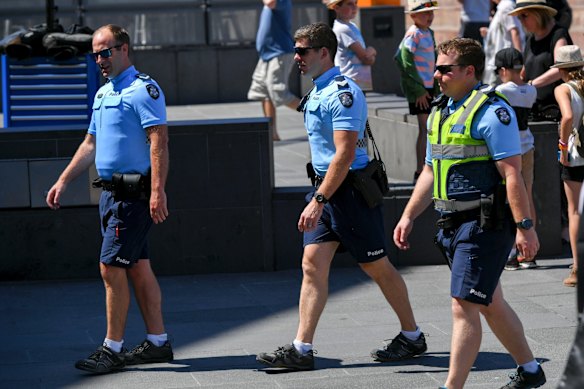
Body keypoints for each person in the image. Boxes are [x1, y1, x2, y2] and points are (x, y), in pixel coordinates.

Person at [256, 22, 426, 371]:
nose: (297, 57)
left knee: (376, 266)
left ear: (323, 52)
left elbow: (345, 153)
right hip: (325, 190)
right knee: (311, 265)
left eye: (302, 51)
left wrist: (318, 201)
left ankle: (412, 336)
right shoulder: (318, 90)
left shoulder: (342, 92)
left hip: (347, 194)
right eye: (296, 50)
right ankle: (301, 349)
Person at [394, 38, 546, 389]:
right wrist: (408, 216)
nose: (437, 74)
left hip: (483, 226)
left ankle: (453, 386)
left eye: (445, 69)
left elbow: (512, 174)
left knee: (463, 306)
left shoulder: (493, 112)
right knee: (490, 302)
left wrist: (525, 227)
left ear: (469, 72)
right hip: (451, 224)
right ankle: (531, 371)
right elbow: (430, 171)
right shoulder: (440, 111)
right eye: (436, 67)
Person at [46, 24, 172, 374]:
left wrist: (158, 190)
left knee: (110, 267)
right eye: (95, 54)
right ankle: (158, 342)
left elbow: (159, 142)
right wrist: (63, 180)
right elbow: (90, 144)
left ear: (124, 49)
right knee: (137, 266)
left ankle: (111, 348)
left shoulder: (143, 90)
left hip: (135, 196)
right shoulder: (103, 94)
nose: (99, 59)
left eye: (105, 51)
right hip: (112, 196)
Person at [491, 48, 538, 271]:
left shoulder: (501, 91)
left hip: (508, 151)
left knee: (510, 197)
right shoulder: (531, 91)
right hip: (528, 146)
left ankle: (511, 252)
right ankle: (530, 252)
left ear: (503, 70)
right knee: (527, 195)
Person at [395, 0, 441, 182]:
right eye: (424, 13)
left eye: (431, 13)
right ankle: (420, 170)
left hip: (428, 88)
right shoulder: (413, 34)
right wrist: (418, 89)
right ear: (413, 16)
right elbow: (402, 60)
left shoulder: (428, 32)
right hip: (419, 90)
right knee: (425, 128)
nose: (429, 17)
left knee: (430, 128)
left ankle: (428, 167)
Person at [509, 0, 572, 121]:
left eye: (525, 15)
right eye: (519, 17)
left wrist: (532, 84)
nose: (521, 21)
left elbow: (561, 68)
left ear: (539, 14)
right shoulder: (530, 40)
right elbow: (524, 72)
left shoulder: (558, 34)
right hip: (534, 110)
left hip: (555, 111)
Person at [248, 0, 301, 141]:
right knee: (265, 93)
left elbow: (270, 2)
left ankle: (318, 112)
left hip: (279, 54)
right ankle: (272, 134)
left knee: (280, 94)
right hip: (267, 55)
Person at [553, 45, 584, 287]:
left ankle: (577, 268)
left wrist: (562, 147)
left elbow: (567, 117)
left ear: (561, 69)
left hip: (575, 155)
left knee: (574, 211)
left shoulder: (563, 88)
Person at [328, 0, 377, 91]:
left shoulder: (352, 26)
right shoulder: (344, 29)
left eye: (356, 3)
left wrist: (369, 55)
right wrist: (372, 50)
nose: (354, 7)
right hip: (350, 81)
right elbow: (366, 59)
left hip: (356, 81)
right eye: (349, 4)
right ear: (336, 8)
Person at [481, 0, 525, 86]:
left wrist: (519, 61)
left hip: (504, 64)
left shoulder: (506, 6)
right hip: (498, 63)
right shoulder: (502, 7)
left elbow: (514, 32)